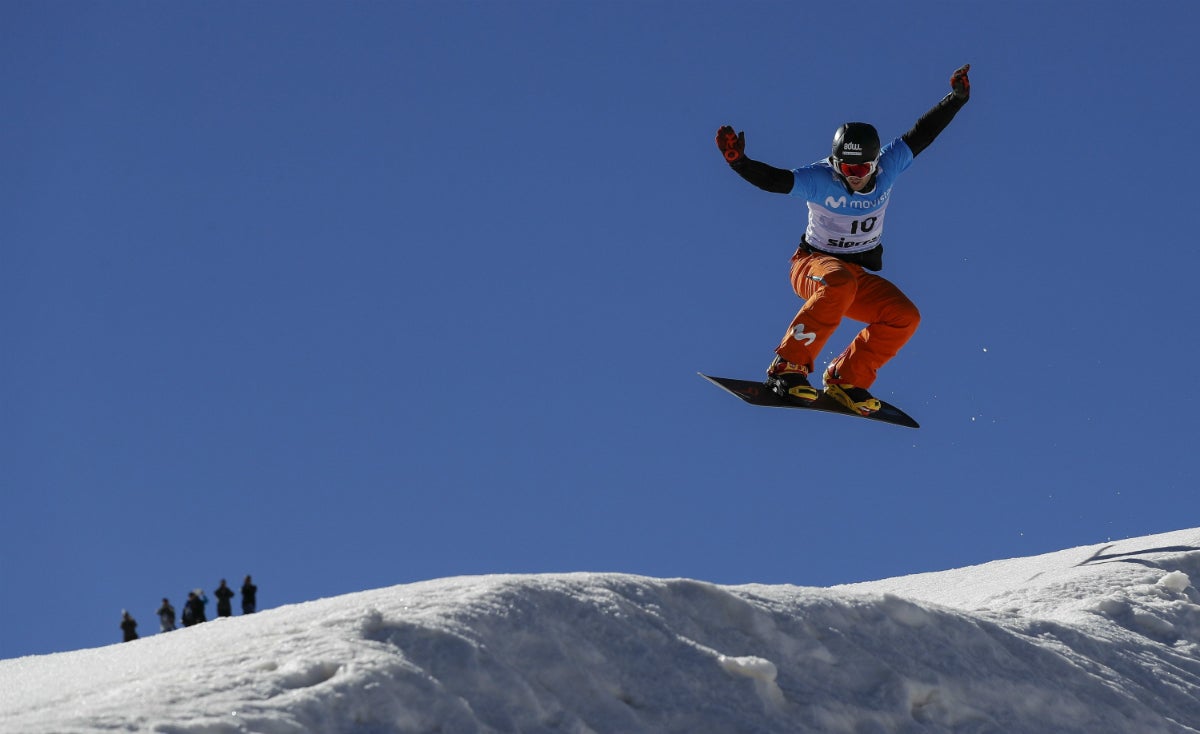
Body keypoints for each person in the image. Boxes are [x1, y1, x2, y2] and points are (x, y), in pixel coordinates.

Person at [715, 65, 971, 415]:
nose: (853, 177)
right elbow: (775, 181)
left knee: (904, 316)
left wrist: (955, 100)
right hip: (812, 266)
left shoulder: (888, 166)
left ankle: (846, 378)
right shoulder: (820, 178)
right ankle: (787, 366)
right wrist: (740, 163)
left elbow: (922, 134)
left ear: (874, 164)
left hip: (853, 277)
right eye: (846, 169)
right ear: (835, 163)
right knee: (839, 282)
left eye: (861, 169)